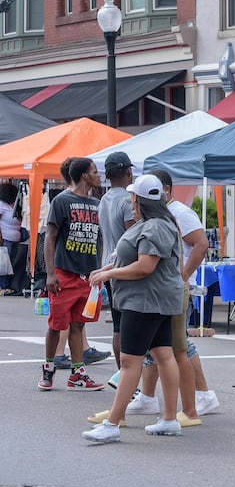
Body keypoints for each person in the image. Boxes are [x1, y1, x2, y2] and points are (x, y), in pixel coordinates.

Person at [82, 174, 184, 442]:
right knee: (163, 355)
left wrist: (109, 275)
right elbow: (128, 259)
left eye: (132, 196)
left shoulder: (155, 227)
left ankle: (113, 423)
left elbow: (144, 267)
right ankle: (169, 419)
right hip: (154, 300)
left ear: (138, 199)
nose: (130, 200)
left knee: (130, 362)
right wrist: (106, 269)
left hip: (145, 301)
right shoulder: (155, 223)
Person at [117, 170, 221, 425]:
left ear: (164, 189)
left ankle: (194, 404)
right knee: (162, 351)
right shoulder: (160, 217)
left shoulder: (174, 216)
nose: (133, 202)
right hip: (163, 290)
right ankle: (153, 401)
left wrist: (184, 275)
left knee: (178, 350)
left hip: (166, 290)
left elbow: (200, 244)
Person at [39, 157, 106, 392]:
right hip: (63, 274)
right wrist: (50, 273)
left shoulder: (97, 204)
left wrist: (101, 270)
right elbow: (50, 237)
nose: (99, 176)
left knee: (78, 325)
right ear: (84, 176)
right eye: (95, 172)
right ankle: (48, 368)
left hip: (88, 277)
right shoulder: (62, 201)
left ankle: (78, 374)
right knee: (57, 325)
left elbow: (100, 239)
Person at [97, 152, 136, 383]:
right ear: (129, 172)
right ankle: (127, 378)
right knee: (129, 325)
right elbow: (133, 235)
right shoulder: (127, 200)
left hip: (108, 265)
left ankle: (122, 375)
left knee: (118, 325)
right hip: (126, 267)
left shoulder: (104, 199)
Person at [0, 181, 24, 295]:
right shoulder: (1, 205)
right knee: (5, 263)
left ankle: (8, 285)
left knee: (10, 264)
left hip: (14, 239)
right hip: (6, 239)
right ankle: (4, 286)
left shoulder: (12, 204)